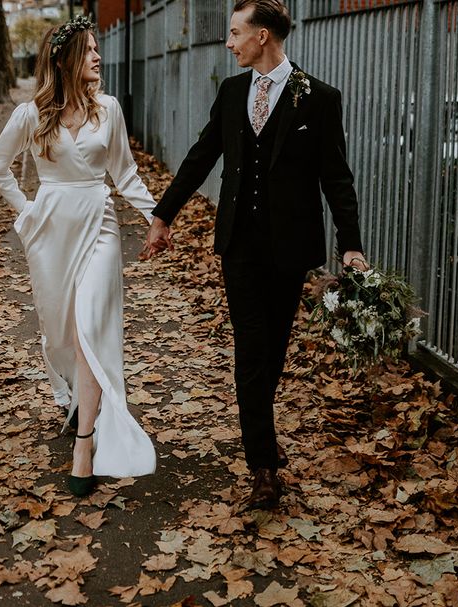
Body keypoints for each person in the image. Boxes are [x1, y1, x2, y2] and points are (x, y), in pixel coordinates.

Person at [141, 0, 367, 509]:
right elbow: (201, 156)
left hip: (290, 249)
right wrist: (163, 215)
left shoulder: (318, 98)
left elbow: (337, 178)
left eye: (235, 32)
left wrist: (350, 245)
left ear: (262, 36)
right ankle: (263, 467)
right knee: (250, 350)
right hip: (239, 244)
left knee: (272, 353)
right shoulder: (232, 91)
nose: (228, 42)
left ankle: (259, 435)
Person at [0, 15, 156, 497]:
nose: (99, 57)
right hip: (52, 229)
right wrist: (28, 213)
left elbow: (125, 175)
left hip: (99, 225)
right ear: (65, 60)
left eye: (99, 50)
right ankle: (80, 400)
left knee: (88, 327)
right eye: (90, 50)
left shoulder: (110, 110)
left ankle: (85, 447)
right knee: (60, 331)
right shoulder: (30, 115)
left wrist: (156, 218)